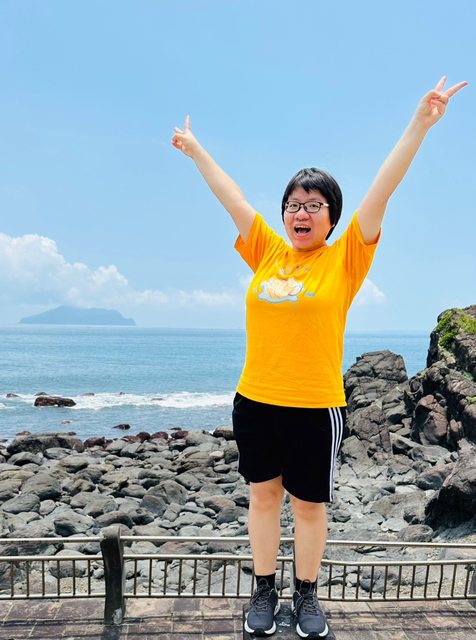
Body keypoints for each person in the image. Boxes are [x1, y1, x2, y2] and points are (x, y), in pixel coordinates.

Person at [171, 76, 467, 638]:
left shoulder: (345, 258)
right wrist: (195, 150)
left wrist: (420, 124)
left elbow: (383, 189)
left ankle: (306, 596)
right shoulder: (266, 251)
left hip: (315, 405)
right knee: (262, 500)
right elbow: (232, 198)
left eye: (313, 205)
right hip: (256, 400)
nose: (300, 213)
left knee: (308, 506)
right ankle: (263, 590)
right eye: (292, 205)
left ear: (332, 216)